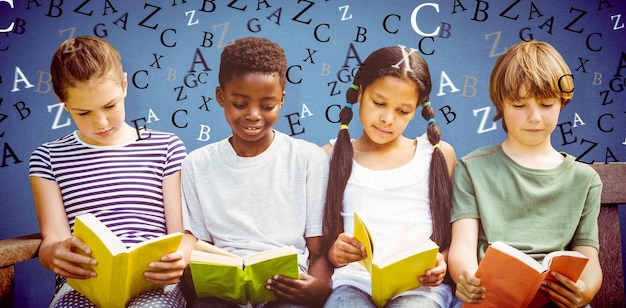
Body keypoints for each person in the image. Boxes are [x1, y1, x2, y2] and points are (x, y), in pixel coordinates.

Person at [29, 36, 195, 308]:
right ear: (62, 101)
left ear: (124, 85)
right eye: (84, 112)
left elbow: (183, 234)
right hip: (84, 283)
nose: (101, 122)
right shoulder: (48, 158)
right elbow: (53, 240)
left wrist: (181, 256)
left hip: (153, 280)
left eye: (110, 105)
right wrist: (53, 255)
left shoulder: (166, 147)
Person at [448, 40, 603, 307]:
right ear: (502, 105)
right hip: (490, 297)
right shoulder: (472, 168)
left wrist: (585, 290)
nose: (534, 117)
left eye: (546, 104)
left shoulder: (585, 180)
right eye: (519, 105)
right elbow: (462, 245)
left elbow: (588, 255)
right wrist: (467, 277)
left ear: (562, 102)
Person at [181, 36, 332, 307]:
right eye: (240, 104)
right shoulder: (197, 164)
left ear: (282, 100)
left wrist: (320, 285)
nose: (253, 115)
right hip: (223, 291)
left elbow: (317, 248)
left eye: (267, 105)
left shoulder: (309, 159)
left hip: (287, 288)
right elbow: (199, 247)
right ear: (221, 97)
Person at [321, 46, 458, 308]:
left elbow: (455, 237)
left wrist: (442, 262)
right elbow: (325, 242)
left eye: (403, 111)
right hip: (354, 283)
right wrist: (335, 252)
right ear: (360, 93)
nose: (387, 119)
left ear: (418, 109)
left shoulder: (437, 155)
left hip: (419, 288)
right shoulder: (331, 156)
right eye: (379, 103)